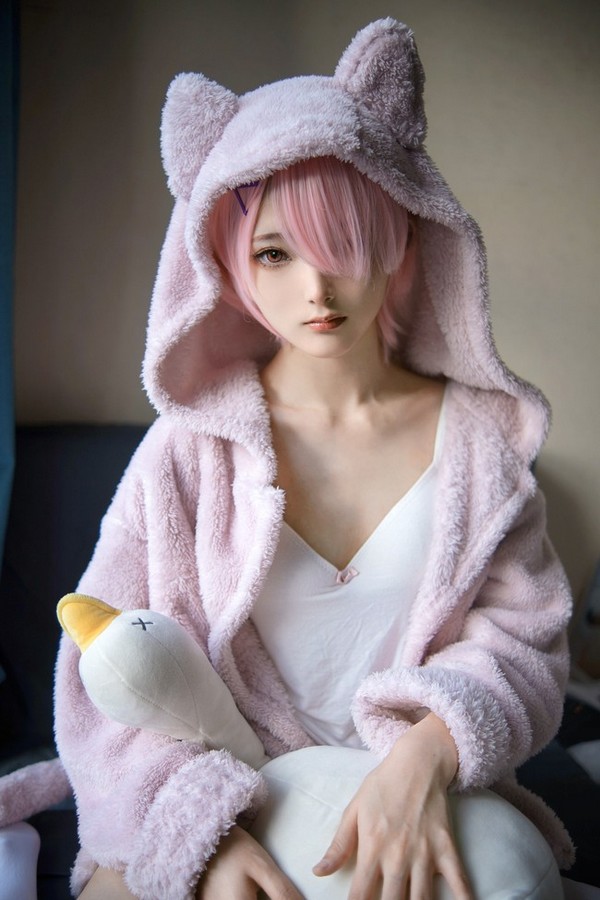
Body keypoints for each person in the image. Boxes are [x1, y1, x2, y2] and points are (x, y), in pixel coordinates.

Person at [51, 18, 573, 900]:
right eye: (274, 254)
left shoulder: (480, 449)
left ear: (402, 236)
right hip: (229, 799)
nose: (316, 289)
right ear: (228, 264)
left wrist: (428, 749)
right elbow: (102, 669)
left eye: (344, 245)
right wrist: (202, 832)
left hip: (416, 801)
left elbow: (527, 640)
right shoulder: (189, 450)